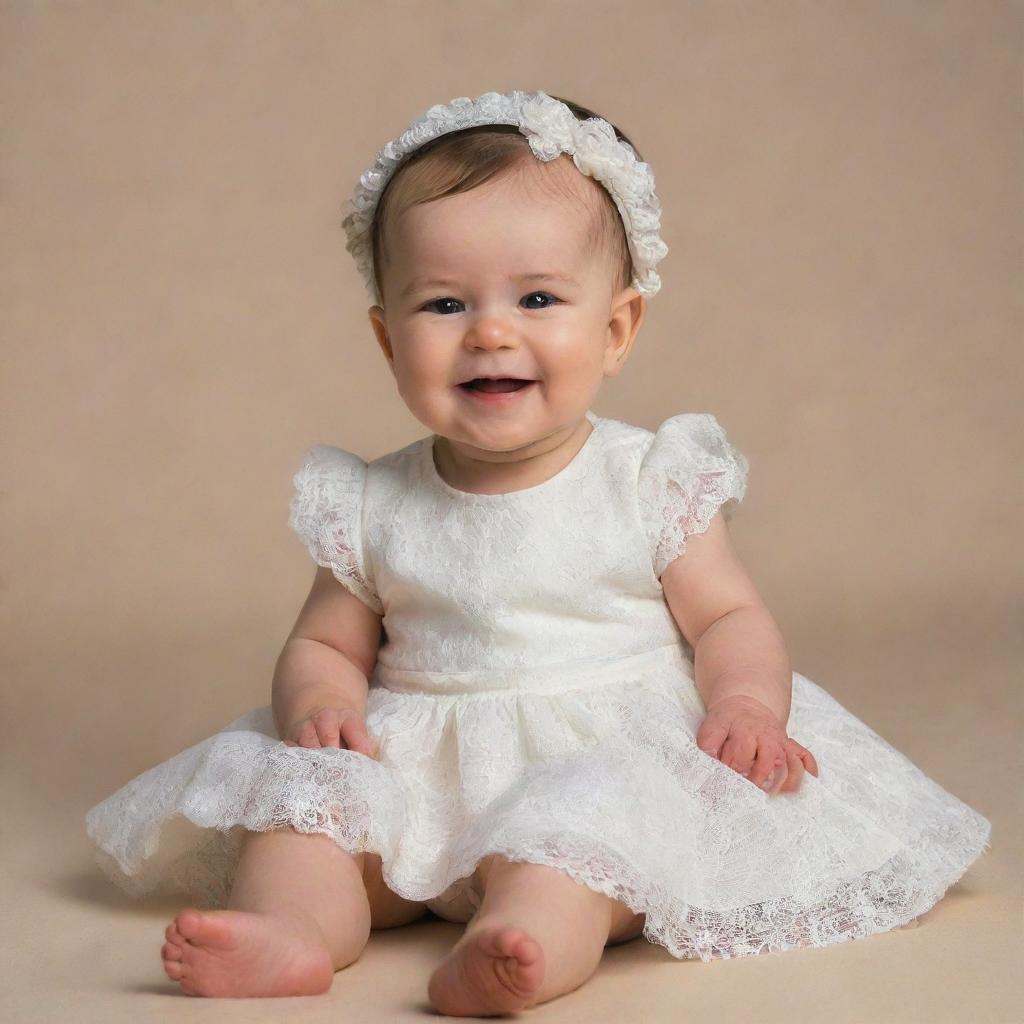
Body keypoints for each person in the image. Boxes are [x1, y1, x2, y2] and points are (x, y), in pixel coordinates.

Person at [85, 89, 992, 1014]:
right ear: (386, 339)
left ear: (616, 329)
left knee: (573, 847)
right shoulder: (370, 500)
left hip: (601, 754)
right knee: (304, 817)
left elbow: (727, 614)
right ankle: (295, 933)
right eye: (443, 302)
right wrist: (321, 710)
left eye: (538, 298)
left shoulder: (647, 481)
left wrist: (747, 703)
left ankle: (513, 948)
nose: (490, 330)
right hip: (421, 775)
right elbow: (325, 645)